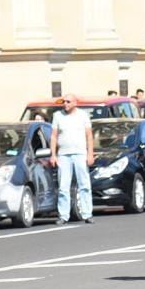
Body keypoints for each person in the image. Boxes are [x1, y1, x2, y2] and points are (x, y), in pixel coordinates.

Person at [50, 94, 95, 225]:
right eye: (64, 101)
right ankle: (63, 215)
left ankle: (87, 213)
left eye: (68, 101)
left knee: (84, 184)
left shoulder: (83, 115)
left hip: (80, 153)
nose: (65, 104)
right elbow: (53, 136)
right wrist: (53, 154)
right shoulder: (57, 116)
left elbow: (89, 135)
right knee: (63, 186)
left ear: (75, 103)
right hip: (64, 154)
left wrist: (90, 154)